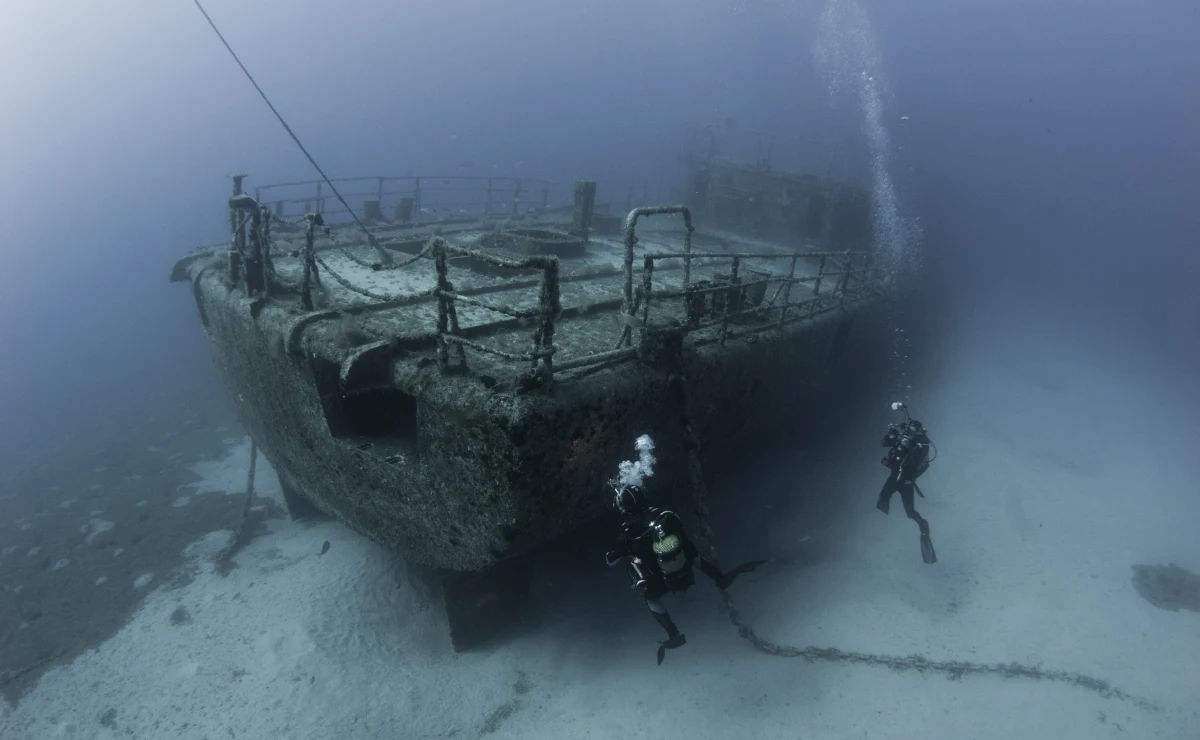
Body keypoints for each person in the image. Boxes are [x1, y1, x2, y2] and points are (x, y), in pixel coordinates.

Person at [604, 483, 766, 664]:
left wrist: (621, 551)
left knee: (651, 598)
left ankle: (674, 634)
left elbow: (611, 560)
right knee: (692, 552)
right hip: (684, 566)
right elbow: (685, 539)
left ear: (625, 506)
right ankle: (720, 578)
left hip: (661, 579)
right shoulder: (664, 514)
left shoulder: (629, 531)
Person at [876, 402, 938, 564]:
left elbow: (917, 457)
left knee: (910, 512)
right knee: (882, 501)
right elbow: (884, 444)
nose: (906, 433)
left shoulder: (920, 442)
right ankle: (883, 534)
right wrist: (892, 435)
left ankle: (923, 528)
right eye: (906, 431)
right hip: (896, 477)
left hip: (906, 481)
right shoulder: (904, 438)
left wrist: (908, 441)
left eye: (909, 431)